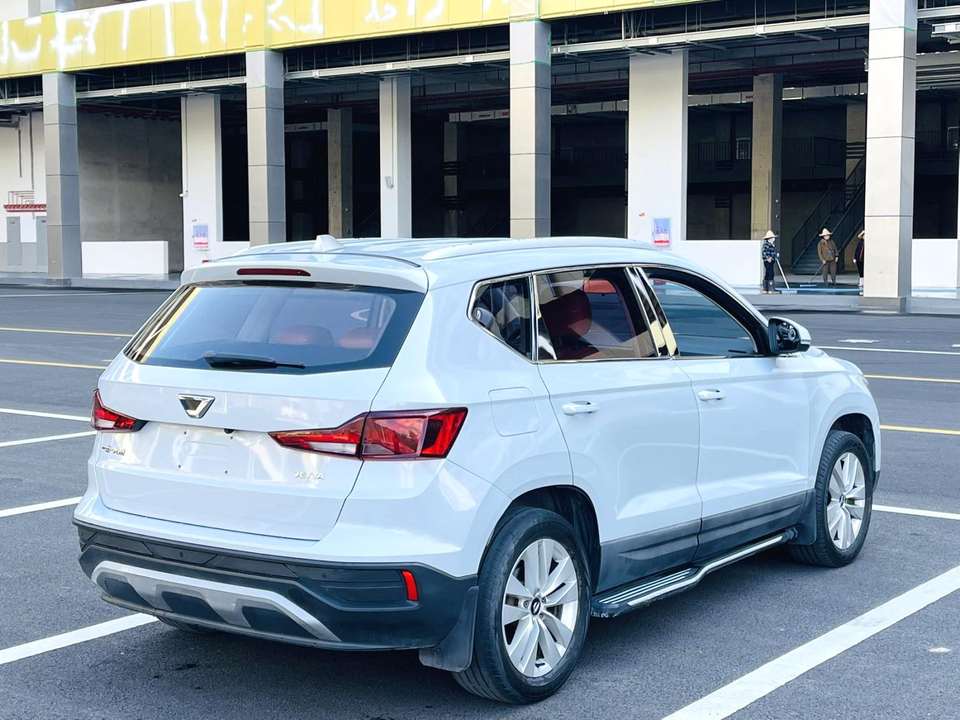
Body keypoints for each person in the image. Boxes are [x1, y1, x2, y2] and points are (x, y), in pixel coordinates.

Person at [853, 229, 865, 294]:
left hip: (864, 259)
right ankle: (861, 282)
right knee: (860, 271)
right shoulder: (860, 242)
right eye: (863, 235)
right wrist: (855, 257)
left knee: (864, 270)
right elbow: (857, 250)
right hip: (858, 259)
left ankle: (864, 282)